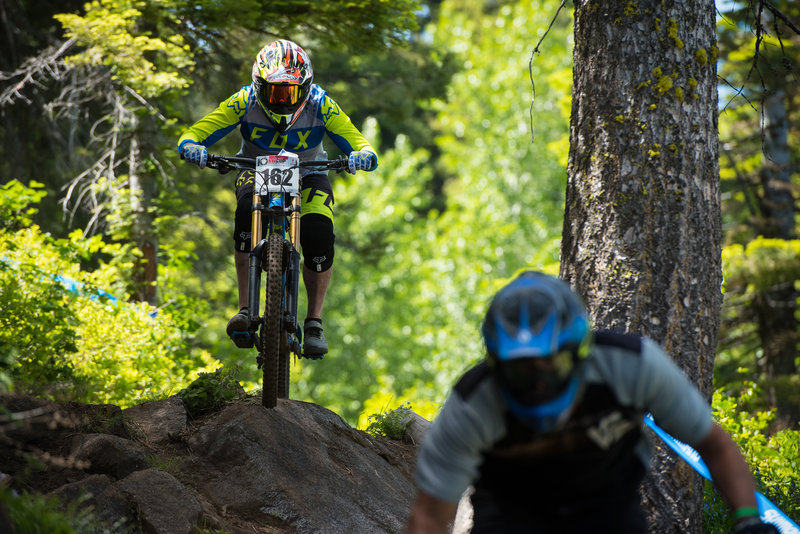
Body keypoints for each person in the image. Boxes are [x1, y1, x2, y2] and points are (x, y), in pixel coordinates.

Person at [405, 270, 779, 534]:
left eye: (551, 365)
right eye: (520, 373)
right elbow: (429, 517)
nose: (539, 384)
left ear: (581, 351)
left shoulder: (632, 365)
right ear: (495, 365)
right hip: (511, 513)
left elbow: (712, 443)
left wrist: (748, 520)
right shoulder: (472, 404)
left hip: (608, 508)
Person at [178, 39, 378, 356]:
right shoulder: (244, 101)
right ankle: (245, 308)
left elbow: (355, 138)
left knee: (318, 231)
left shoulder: (320, 103)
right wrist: (192, 146)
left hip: (310, 172)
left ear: (306, 87)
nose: (283, 101)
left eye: (291, 92)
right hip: (254, 169)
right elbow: (200, 130)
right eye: (275, 92)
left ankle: (314, 322)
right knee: (246, 209)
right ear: (259, 86)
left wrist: (363, 155)